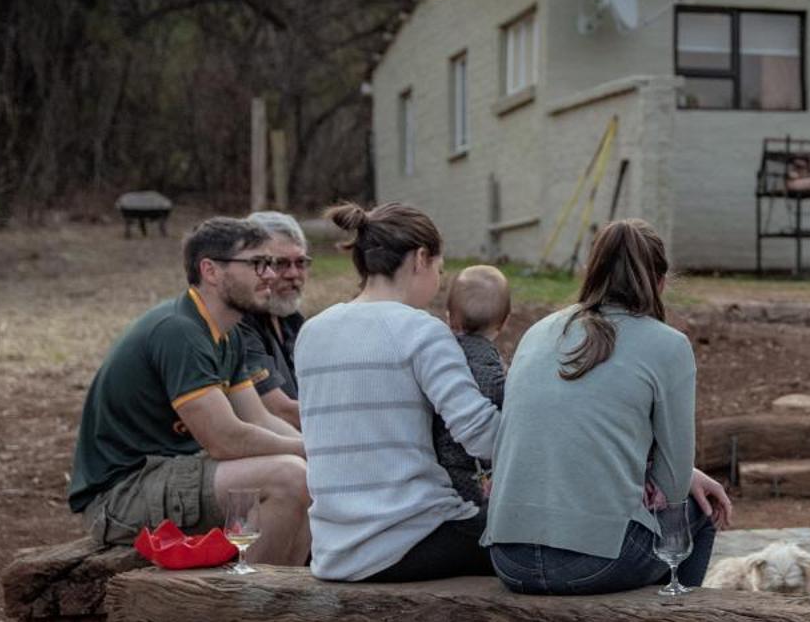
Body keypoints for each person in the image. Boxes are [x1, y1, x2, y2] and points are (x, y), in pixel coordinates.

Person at [485, 220, 734, 596]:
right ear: (660, 281)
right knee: (701, 510)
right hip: (593, 563)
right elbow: (674, 485)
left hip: (509, 558)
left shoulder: (537, 331)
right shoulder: (668, 345)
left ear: (591, 271)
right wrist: (674, 476)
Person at [67, 217, 310, 564]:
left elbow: (259, 419)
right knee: (289, 477)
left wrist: (318, 453)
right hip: (122, 494)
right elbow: (225, 439)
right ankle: (247, 609)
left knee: (309, 475)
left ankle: (284, 604)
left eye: (270, 264)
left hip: (175, 473)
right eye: (257, 264)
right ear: (210, 270)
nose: (270, 275)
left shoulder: (230, 333)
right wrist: (308, 449)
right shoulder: (179, 331)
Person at [296, 202, 501, 582]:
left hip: (334, 549)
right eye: (440, 270)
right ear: (420, 258)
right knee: (541, 540)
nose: (439, 282)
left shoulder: (312, 332)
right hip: (411, 538)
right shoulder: (421, 330)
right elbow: (482, 436)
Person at [433, 264, 512, 506]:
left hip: (437, 462)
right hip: (475, 469)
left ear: (448, 317)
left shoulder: (436, 357)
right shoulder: (494, 371)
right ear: (504, 322)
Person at [243, 210, 309, 428]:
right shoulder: (239, 324)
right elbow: (279, 410)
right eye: (280, 264)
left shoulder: (293, 321)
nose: (293, 274)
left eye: (300, 263)